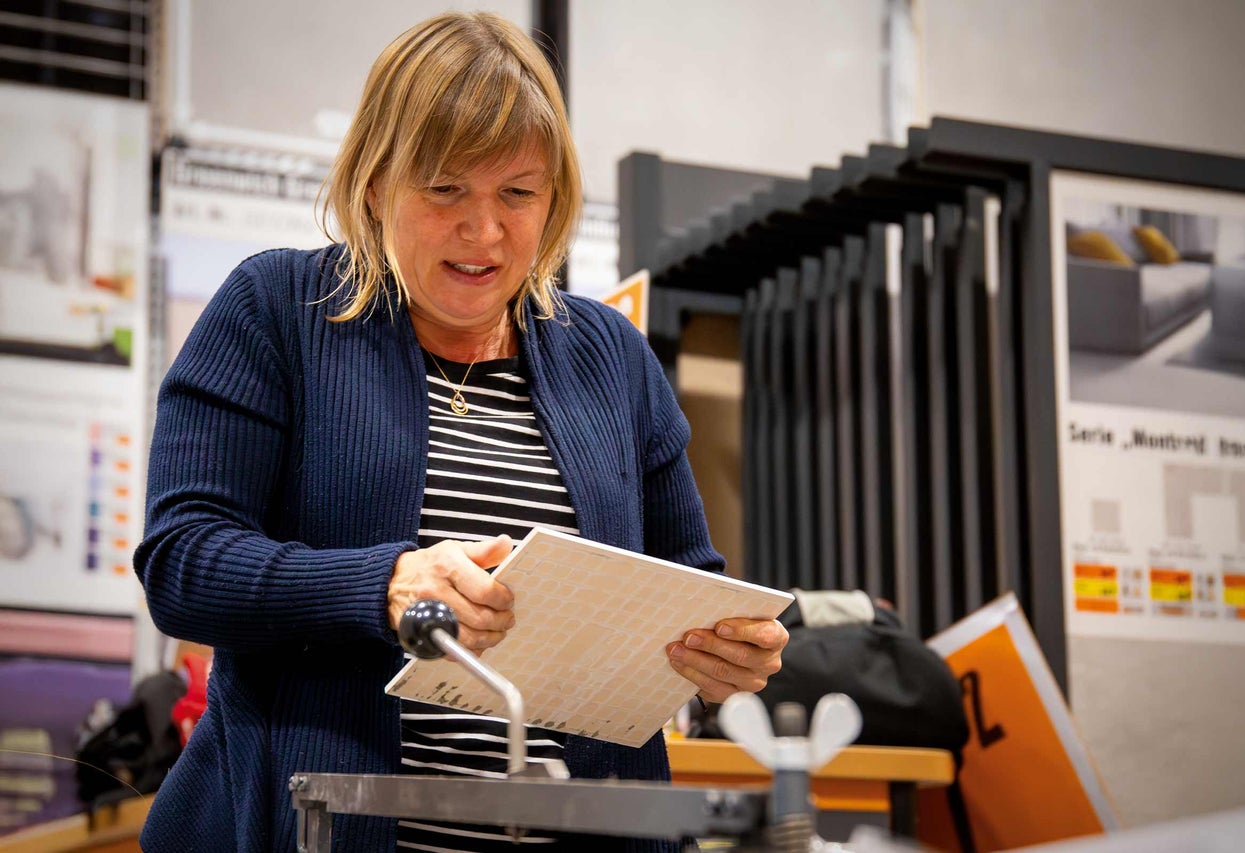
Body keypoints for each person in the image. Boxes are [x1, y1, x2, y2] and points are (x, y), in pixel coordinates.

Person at [134, 12, 787, 853]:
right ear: (375, 183)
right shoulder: (278, 312)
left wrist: (729, 652)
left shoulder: (612, 360)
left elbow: (687, 580)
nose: (484, 231)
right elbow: (183, 562)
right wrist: (386, 586)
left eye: (518, 193)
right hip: (320, 828)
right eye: (445, 190)